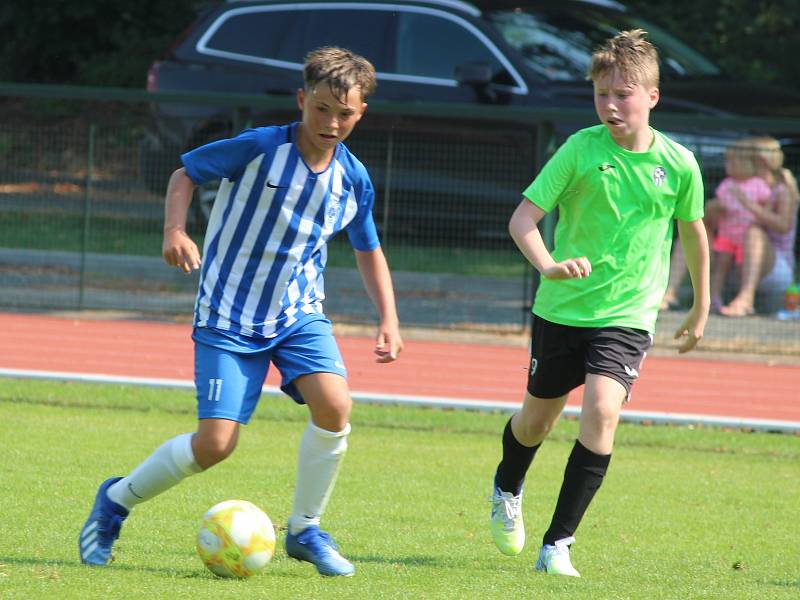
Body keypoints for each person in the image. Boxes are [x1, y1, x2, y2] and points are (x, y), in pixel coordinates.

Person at [78, 46, 403, 578]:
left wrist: (388, 318)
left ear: (361, 112)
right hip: (227, 315)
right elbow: (184, 174)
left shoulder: (354, 179)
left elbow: (369, 251)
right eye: (321, 108)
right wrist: (174, 231)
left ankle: (304, 530)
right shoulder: (259, 148)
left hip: (298, 314)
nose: (331, 122)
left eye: (345, 113)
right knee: (215, 444)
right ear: (302, 100)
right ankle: (115, 500)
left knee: (335, 406)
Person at [488, 29, 710, 577]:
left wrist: (700, 307)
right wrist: (549, 265)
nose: (610, 105)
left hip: (628, 317)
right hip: (561, 309)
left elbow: (694, 234)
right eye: (601, 93)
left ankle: (557, 544)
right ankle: (506, 486)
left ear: (652, 97)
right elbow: (523, 221)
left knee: (603, 411)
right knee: (535, 423)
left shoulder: (679, 164)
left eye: (623, 93)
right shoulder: (579, 150)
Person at [718, 136, 799, 316]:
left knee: (754, 232)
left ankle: (746, 298)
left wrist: (748, 204)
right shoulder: (740, 185)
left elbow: (783, 226)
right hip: (738, 259)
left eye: (743, 157)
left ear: (760, 161)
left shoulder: (783, 189)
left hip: (777, 268)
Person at [708, 139, 772, 311]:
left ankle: (743, 299)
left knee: (744, 268)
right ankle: (713, 298)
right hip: (726, 236)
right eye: (727, 161)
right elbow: (719, 206)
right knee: (720, 266)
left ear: (748, 164)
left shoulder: (758, 185)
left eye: (733, 161)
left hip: (746, 238)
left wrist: (748, 204)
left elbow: (767, 210)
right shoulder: (726, 184)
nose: (729, 165)